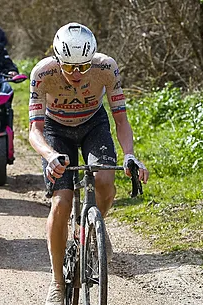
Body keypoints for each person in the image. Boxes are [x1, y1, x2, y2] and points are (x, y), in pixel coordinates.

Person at [27, 22, 149, 305]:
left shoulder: (106, 68)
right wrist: (49, 156)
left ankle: (94, 230)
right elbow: (34, 130)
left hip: (94, 124)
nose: (78, 74)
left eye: (83, 66)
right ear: (57, 60)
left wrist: (129, 154)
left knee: (106, 182)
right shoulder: (42, 73)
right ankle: (57, 282)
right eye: (69, 67)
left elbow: (120, 119)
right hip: (56, 129)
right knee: (62, 202)